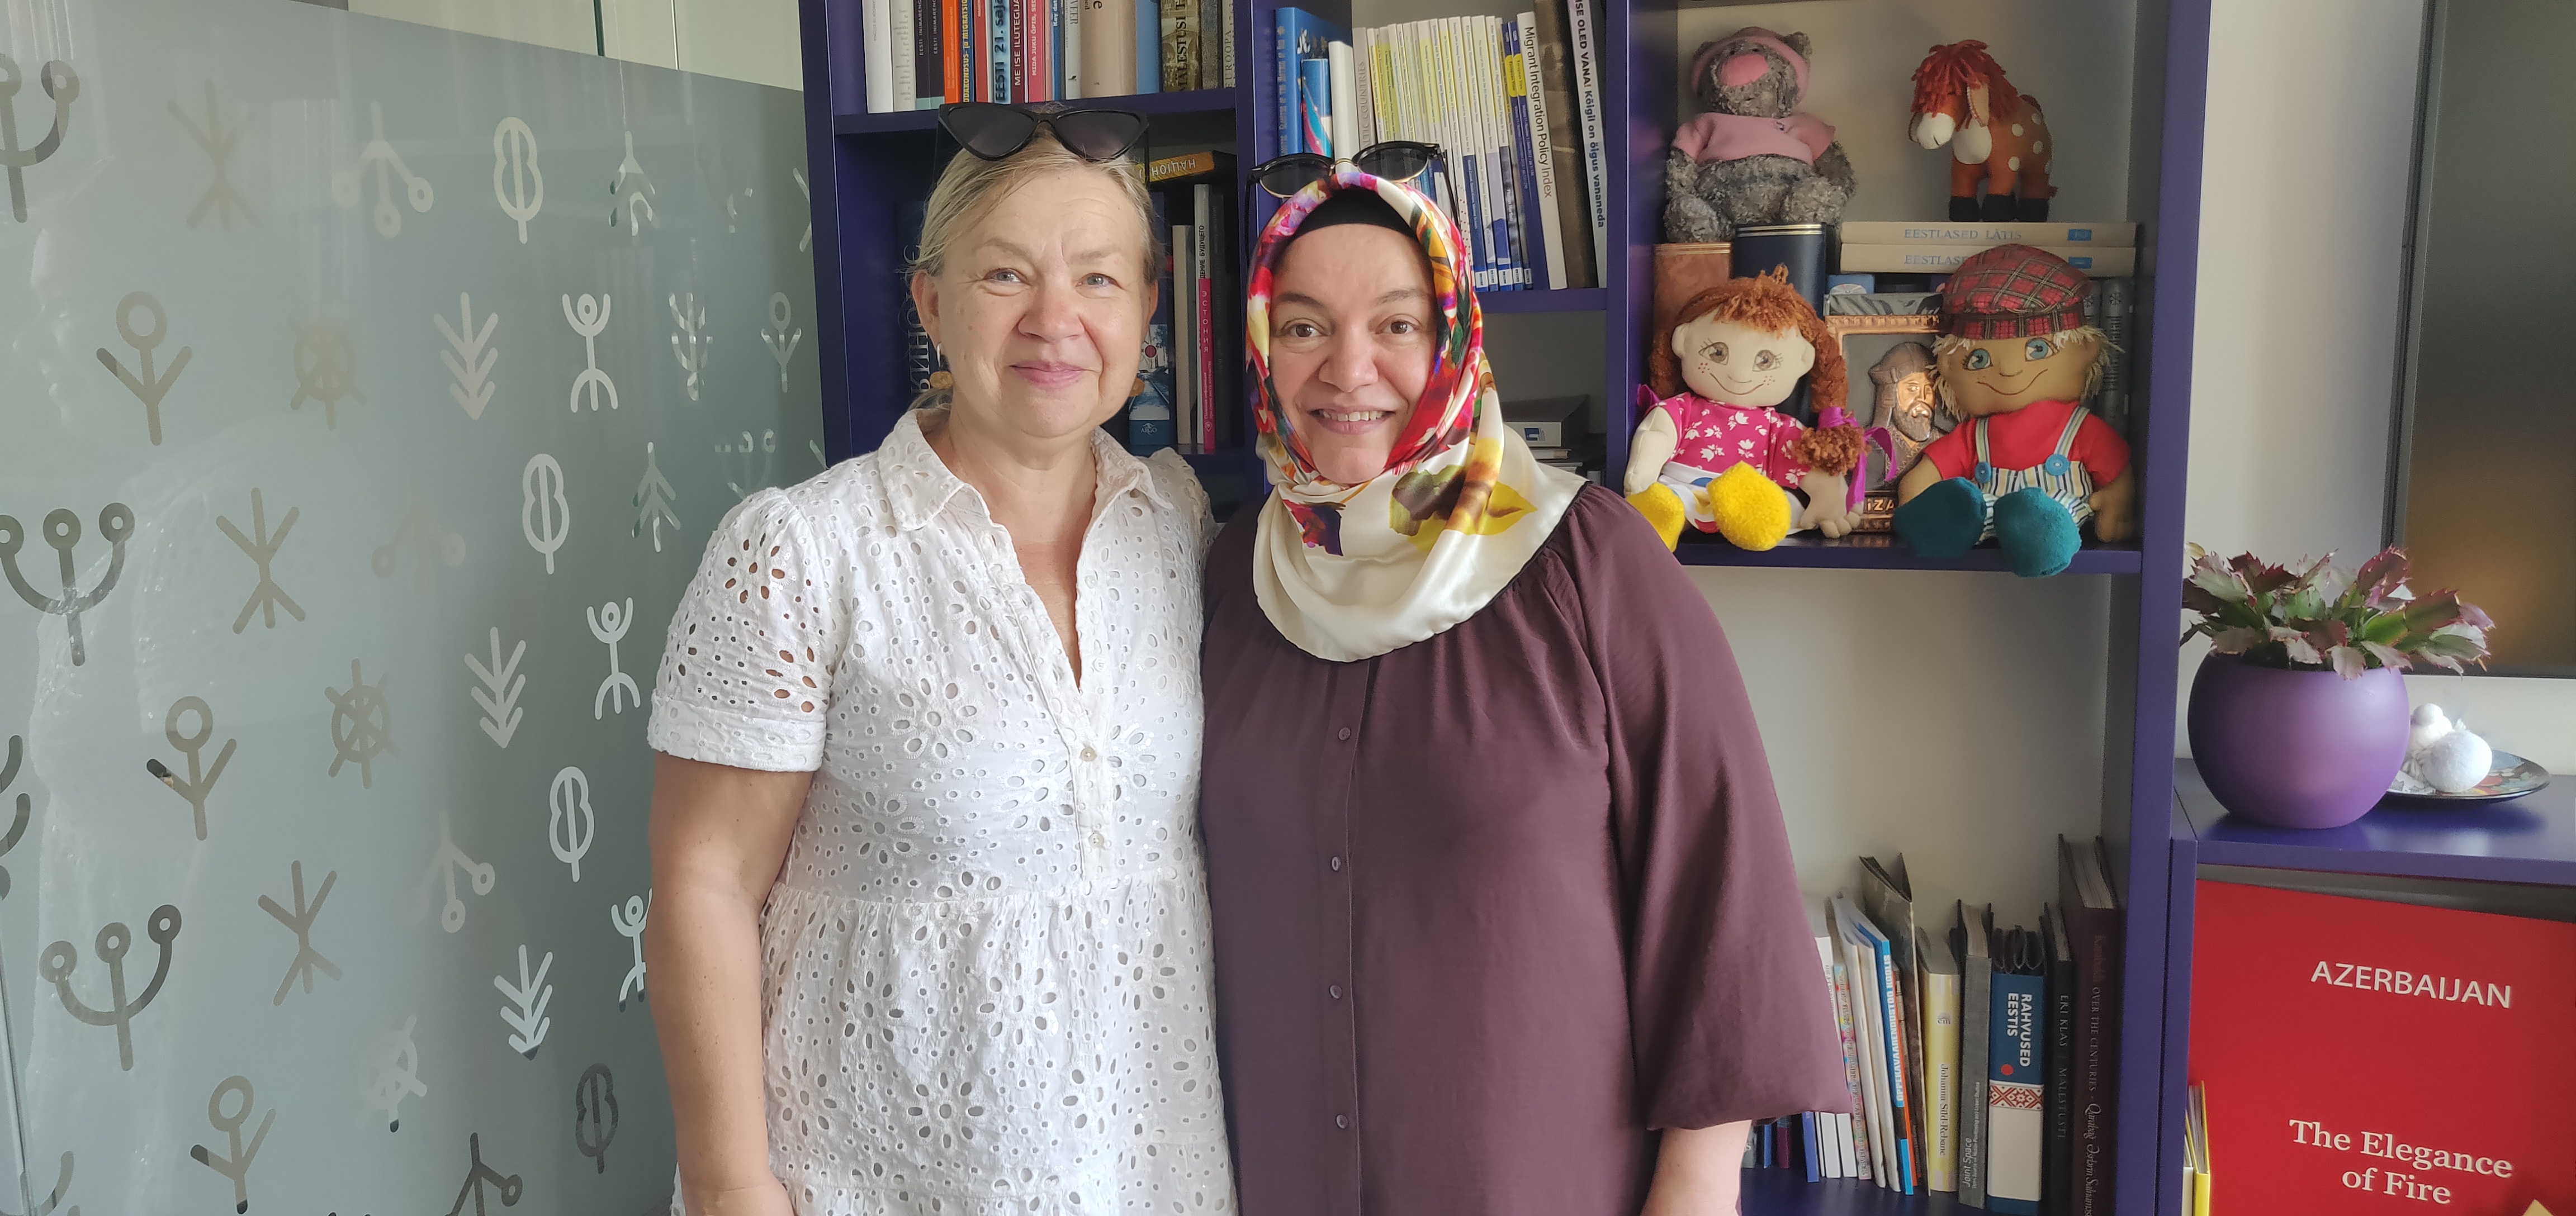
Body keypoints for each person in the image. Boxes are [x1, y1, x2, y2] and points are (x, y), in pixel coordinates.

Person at [1197, 164, 1848, 1214]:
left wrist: (1696, 1188)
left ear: (1455, 341)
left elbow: (1721, 885)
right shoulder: (1235, 573)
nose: (1347, 369)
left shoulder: (1590, 561)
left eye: (1397, 325)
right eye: (1306, 326)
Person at [642, 108, 1234, 1216]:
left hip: (1146, 1164)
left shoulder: (1176, 521)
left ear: (1148, 308)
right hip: (874, 1172)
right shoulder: (804, 552)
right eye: (1005, 275)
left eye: (1099, 279)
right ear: (930, 302)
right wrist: (729, 1185)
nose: (1055, 320)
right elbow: (702, 885)